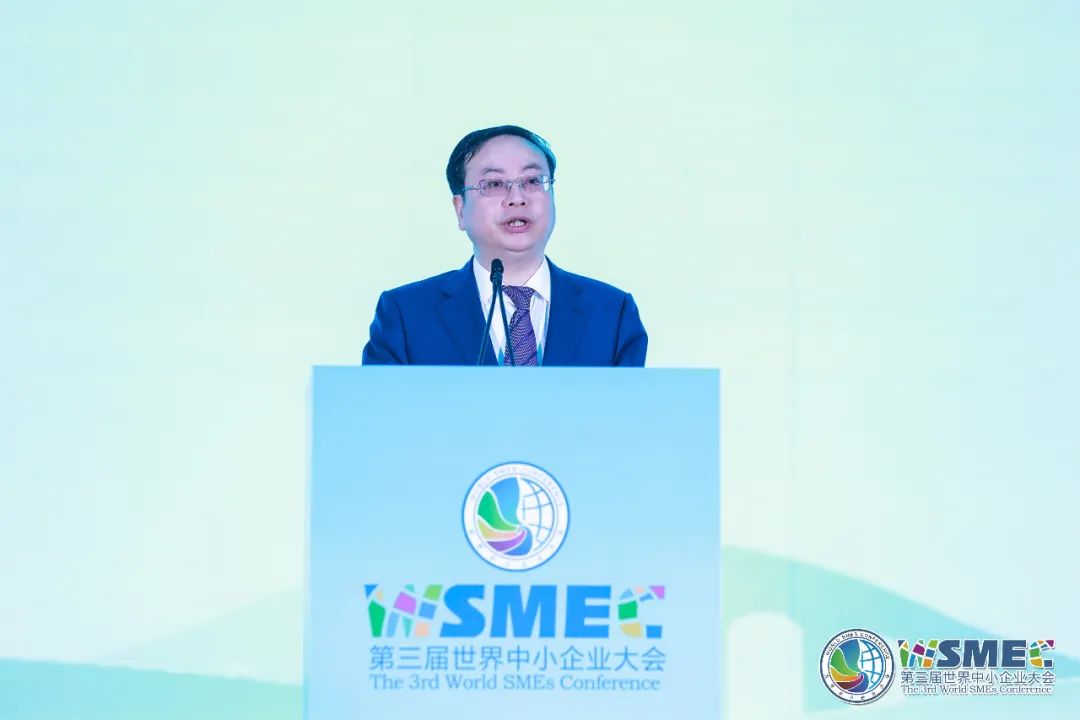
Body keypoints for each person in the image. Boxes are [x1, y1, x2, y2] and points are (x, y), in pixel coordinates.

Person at [362, 125, 647, 366]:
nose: (517, 198)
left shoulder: (612, 313)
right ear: (460, 209)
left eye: (533, 180)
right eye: (495, 184)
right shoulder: (407, 314)